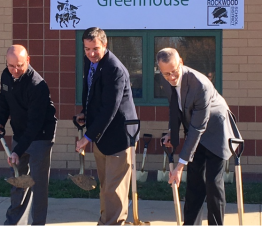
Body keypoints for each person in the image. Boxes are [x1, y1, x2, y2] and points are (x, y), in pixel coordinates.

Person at [156, 48, 241, 225]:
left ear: (181, 62)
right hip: (196, 129)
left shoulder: (199, 84)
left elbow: (197, 128)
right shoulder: (165, 81)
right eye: (166, 74)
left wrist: (180, 165)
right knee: (195, 184)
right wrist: (173, 134)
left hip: (216, 131)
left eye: (174, 72)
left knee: (213, 183)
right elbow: (175, 109)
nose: (171, 77)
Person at [75, 27, 139, 225]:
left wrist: (87, 137)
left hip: (119, 137)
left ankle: (113, 223)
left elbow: (110, 108)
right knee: (106, 187)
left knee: (114, 189)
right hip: (102, 135)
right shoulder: (91, 62)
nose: (91, 54)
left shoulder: (114, 69)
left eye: (95, 49)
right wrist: (85, 113)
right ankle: (106, 221)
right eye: (86, 49)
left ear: (105, 45)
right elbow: (91, 93)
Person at [0, 44, 57, 225]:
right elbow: (4, 99)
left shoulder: (37, 85)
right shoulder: (7, 75)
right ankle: (13, 223)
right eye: (11, 65)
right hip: (20, 134)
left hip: (40, 136)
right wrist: (0, 121)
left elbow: (34, 125)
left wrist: (17, 151)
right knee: (18, 182)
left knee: (37, 186)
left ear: (28, 60)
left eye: (19, 65)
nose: (15, 70)